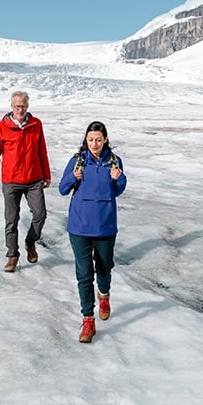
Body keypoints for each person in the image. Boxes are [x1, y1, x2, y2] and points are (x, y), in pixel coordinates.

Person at [59, 121, 127, 343]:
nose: (94, 143)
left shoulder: (114, 162)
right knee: (84, 273)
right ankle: (88, 319)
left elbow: (117, 190)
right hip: (79, 226)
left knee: (104, 267)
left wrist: (120, 178)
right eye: (90, 140)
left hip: (105, 225)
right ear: (85, 140)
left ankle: (104, 295)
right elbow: (62, 189)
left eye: (98, 139)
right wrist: (73, 177)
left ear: (105, 139)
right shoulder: (77, 161)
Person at [0, 91, 51, 272]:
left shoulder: (36, 125)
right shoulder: (1, 127)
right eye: (17, 106)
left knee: (40, 214)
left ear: (27, 106)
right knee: (11, 219)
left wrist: (47, 175)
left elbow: (42, 152)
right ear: (11, 107)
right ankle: (12, 255)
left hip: (34, 179)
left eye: (23, 106)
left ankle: (30, 242)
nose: (20, 109)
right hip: (11, 180)